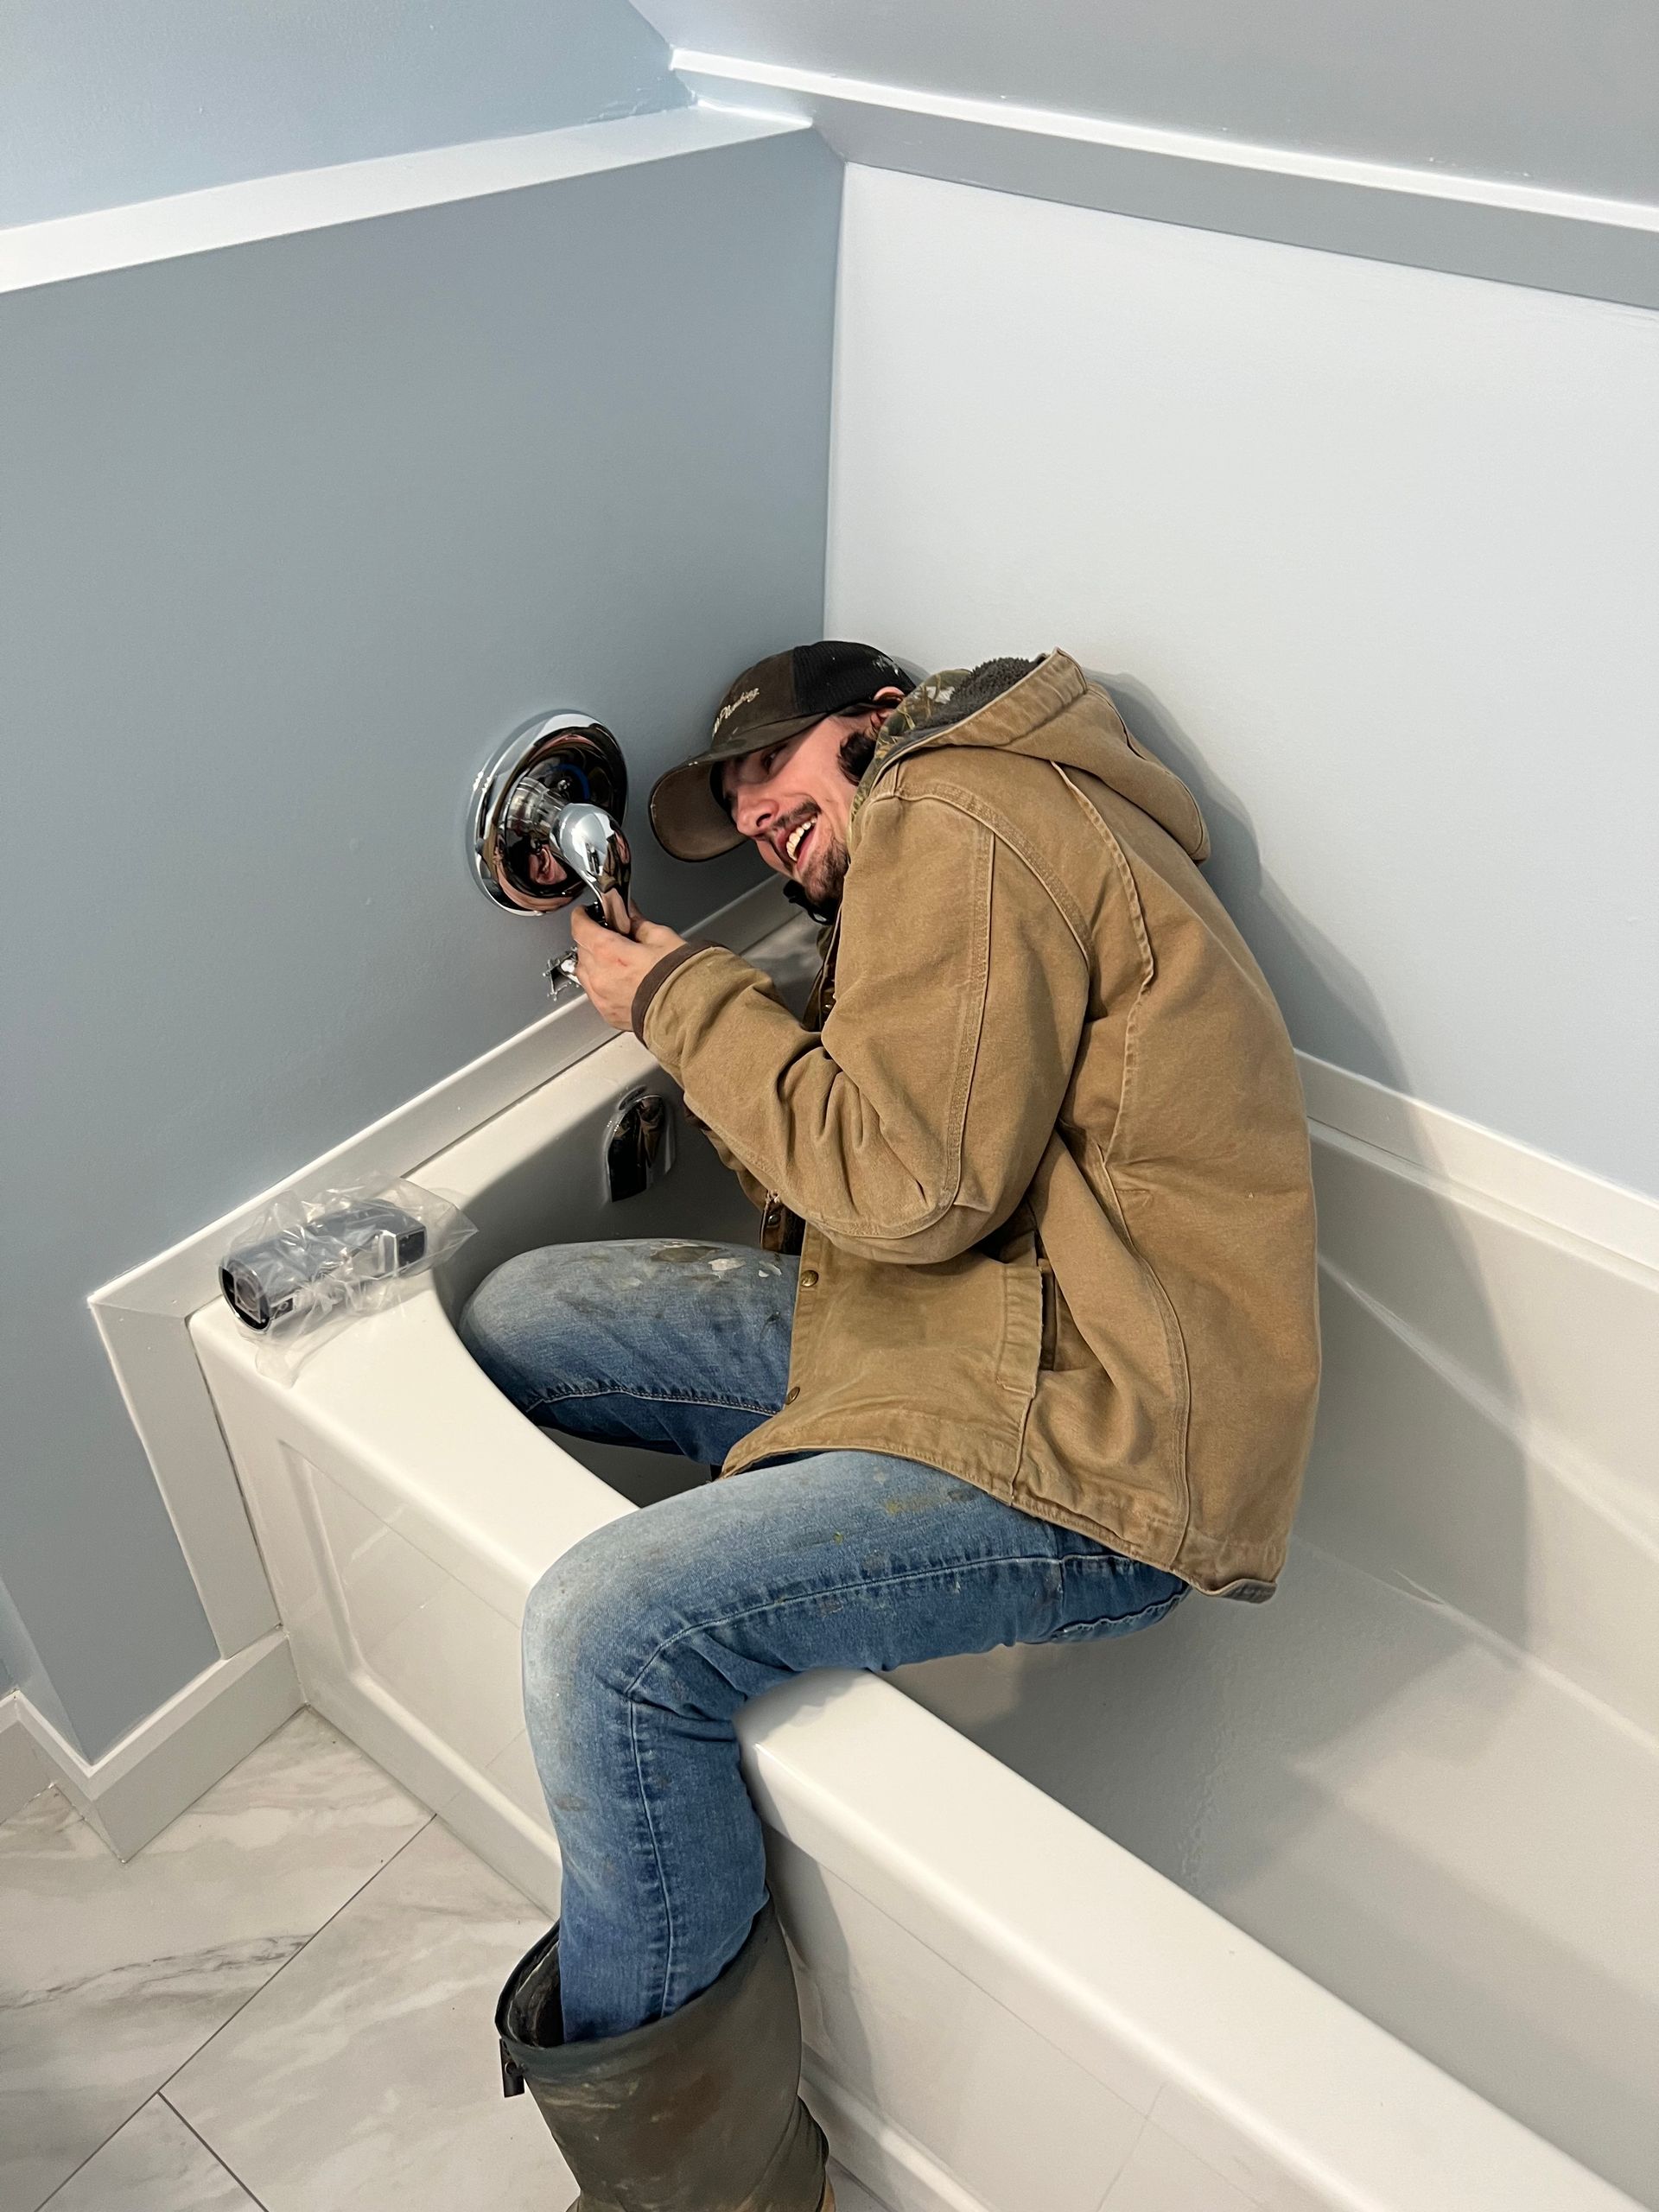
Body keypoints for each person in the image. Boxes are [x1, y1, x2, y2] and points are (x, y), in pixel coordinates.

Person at [470, 642, 1321, 2212]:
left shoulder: (958, 810)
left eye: (771, 773)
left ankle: (702, 2188)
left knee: (608, 1632)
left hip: (1099, 1434)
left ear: (875, 728)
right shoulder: (962, 834)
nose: (754, 814)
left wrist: (676, 998)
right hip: (970, 1336)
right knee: (526, 1314)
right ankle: (683, 1764)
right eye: (729, 802)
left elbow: (915, 1190)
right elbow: (924, 1159)